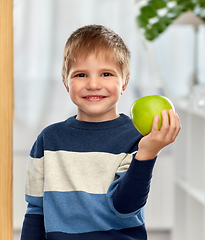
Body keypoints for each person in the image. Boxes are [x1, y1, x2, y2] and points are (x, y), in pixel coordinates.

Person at [20, 24, 181, 240]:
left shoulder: (137, 138)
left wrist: (146, 155)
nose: (94, 84)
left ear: (124, 82)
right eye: (81, 74)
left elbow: (125, 207)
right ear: (66, 83)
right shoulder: (48, 139)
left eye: (106, 74)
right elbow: (35, 212)